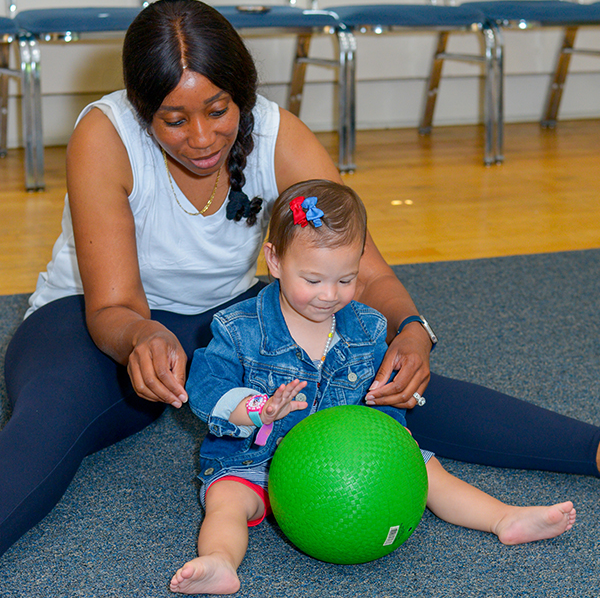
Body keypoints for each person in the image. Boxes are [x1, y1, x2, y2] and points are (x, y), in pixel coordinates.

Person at [0, 0, 597, 559]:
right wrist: (139, 338)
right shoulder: (105, 134)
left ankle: (590, 448)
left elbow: (365, 269)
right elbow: (114, 306)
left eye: (218, 110)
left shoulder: (279, 133)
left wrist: (412, 331)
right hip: (99, 321)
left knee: (384, 385)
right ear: (140, 107)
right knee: (52, 416)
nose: (203, 138)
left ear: (242, 95)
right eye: (174, 120)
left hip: (231, 319)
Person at [170, 180, 576, 595]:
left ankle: (502, 518)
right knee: (227, 502)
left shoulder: (366, 328)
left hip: (352, 460)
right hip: (252, 457)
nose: (329, 295)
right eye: (312, 280)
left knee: (426, 469)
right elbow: (206, 388)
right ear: (273, 260)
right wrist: (256, 408)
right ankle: (220, 560)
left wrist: (390, 432)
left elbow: (376, 395)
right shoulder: (239, 328)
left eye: (345, 280)